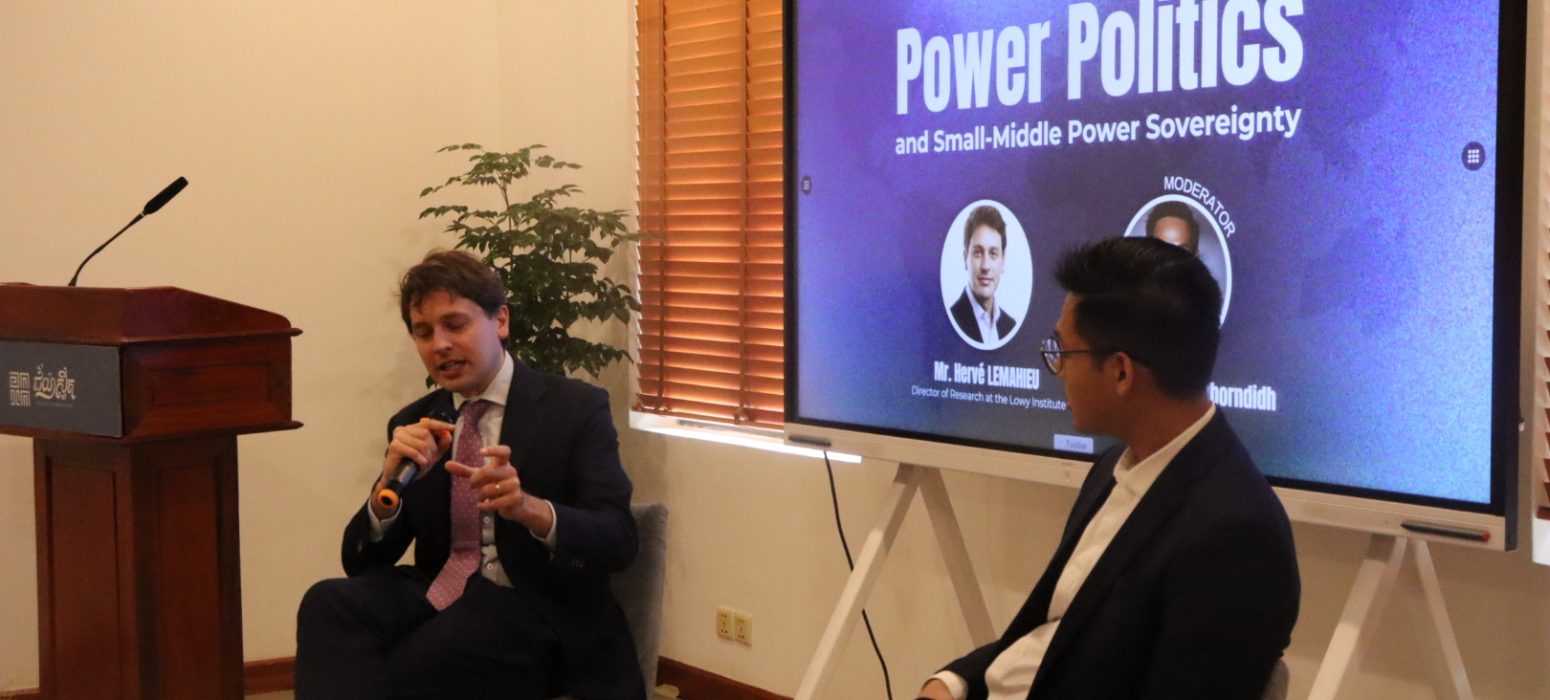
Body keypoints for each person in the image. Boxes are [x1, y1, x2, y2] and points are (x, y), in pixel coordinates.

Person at [920, 237, 1299, 700]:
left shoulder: (1237, 535)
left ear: (1121, 372)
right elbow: (1055, 633)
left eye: (1063, 352)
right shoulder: (1110, 469)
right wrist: (955, 681)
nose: (1057, 371)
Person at [296, 249, 642, 700]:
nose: (439, 344)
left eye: (455, 325)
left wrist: (529, 509)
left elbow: (619, 539)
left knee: (411, 664)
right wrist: (386, 489)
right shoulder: (417, 422)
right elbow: (362, 563)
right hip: (443, 587)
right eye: (424, 332)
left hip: (537, 603)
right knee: (327, 604)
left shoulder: (575, 408)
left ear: (501, 321)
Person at [949, 204, 1019, 344]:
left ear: (1003, 261)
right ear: (965, 258)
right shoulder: (951, 320)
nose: (985, 266)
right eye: (978, 253)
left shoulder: (1010, 326)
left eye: (993, 254)